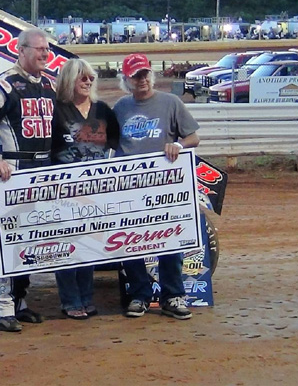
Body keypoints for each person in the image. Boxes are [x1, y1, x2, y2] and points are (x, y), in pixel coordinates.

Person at [0, 27, 55, 332]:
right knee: (11, 241)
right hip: (14, 173)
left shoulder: (49, 85)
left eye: (47, 49)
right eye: (39, 49)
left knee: (32, 241)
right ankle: (2, 306)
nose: (45, 54)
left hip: (43, 172)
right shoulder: (3, 85)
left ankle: (19, 300)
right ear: (21, 50)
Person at [113, 53, 200, 320]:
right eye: (135, 76)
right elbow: (110, 143)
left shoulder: (170, 102)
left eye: (145, 74)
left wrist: (178, 145)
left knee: (170, 239)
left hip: (165, 184)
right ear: (126, 80)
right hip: (130, 186)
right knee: (130, 242)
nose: (141, 80)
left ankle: (173, 295)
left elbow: (193, 137)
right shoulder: (120, 108)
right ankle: (139, 295)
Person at [50, 58, 120, 320]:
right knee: (67, 245)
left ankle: (87, 298)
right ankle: (70, 300)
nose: (88, 82)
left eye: (91, 78)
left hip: (95, 190)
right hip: (63, 192)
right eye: (83, 77)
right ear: (69, 80)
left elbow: (116, 143)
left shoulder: (102, 110)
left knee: (89, 244)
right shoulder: (56, 110)